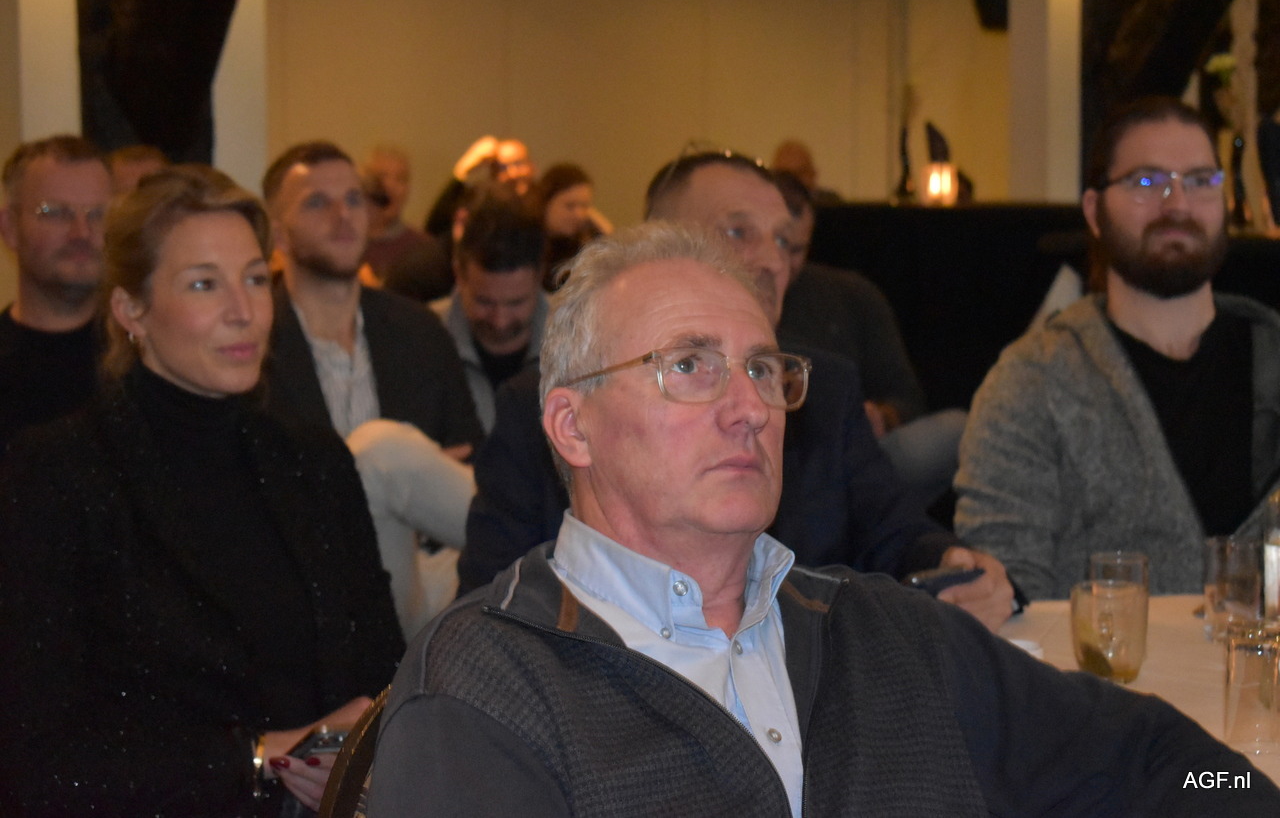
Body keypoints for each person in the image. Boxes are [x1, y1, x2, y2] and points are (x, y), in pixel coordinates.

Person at [366, 224, 1278, 816]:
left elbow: (1157, 762)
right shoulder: (483, 692)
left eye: (763, 370)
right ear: (572, 426)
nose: (748, 408)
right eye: (689, 366)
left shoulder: (889, 633)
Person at [458, 151, 1014, 631]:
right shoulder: (560, 402)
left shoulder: (819, 388)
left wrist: (952, 563)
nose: (771, 261)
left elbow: (894, 531)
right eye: (738, 233)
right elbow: (488, 611)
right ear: (659, 243)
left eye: (784, 241)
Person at [0, 166, 405, 816]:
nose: (243, 312)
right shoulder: (58, 474)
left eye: (255, 279)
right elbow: (39, 756)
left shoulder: (314, 461)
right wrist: (257, 758)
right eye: (203, 284)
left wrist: (362, 740)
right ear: (131, 310)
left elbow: (383, 665)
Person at [956, 96, 1280, 600]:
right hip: (1100, 654)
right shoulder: (1032, 381)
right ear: (1094, 211)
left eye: (1200, 181)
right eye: (1147, 182)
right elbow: (1003, 590)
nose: (1177, 204)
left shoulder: (1271, 355)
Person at [260, 140, 482, 637]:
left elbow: (469, 458)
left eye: (354, 199)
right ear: (277, 236)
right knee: (383, 453)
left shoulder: (418, 330)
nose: (343, 216)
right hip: (314, 582)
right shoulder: (254, 348)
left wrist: (420, 487)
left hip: (430, 567)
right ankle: (564, 552)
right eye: (317, 202)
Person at [774, 171, 967, 512]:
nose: (780, 264)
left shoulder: (853, 295)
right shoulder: (726, 300)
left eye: (796, 249)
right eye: (775, 243)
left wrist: (881, 416)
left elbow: (907, 398)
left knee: (957, 428)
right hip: (773, 460)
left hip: (855, 459)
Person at [0, 135, 111, 457]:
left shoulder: (146, 358)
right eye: (55, 212)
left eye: (98, 214)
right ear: (10, 228)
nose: (81, 232)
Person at [431, 195, 548, 433]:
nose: (500, 321)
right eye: (484, 302)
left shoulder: (579, 343)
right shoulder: (421, 337)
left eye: (516, 302)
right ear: (458, 274)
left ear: (540, 277)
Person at [423, 135, 534, 239]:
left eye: (518, 164)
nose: (512, 173)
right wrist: (463, 171)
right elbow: (435, 231)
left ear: (532, 167)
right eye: (502, 168)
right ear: (493, 175)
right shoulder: (483, 213)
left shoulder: (540, 206)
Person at [359, 143, 440, 282]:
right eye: (382, 176)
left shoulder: (423, 249)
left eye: (400, 179)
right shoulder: (344, 242)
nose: (391, 186)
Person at [533, 162, 610, 289]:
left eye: (584, 206)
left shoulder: (584, 245)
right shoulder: (530, 247)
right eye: (570, 206)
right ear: (546, 203)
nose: (579, 215)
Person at [770, 137, 842, 205]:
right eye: (785, 175)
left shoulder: (832, 204)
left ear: (813, 174)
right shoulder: (767, 205)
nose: (793, 181)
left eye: (800, 173)